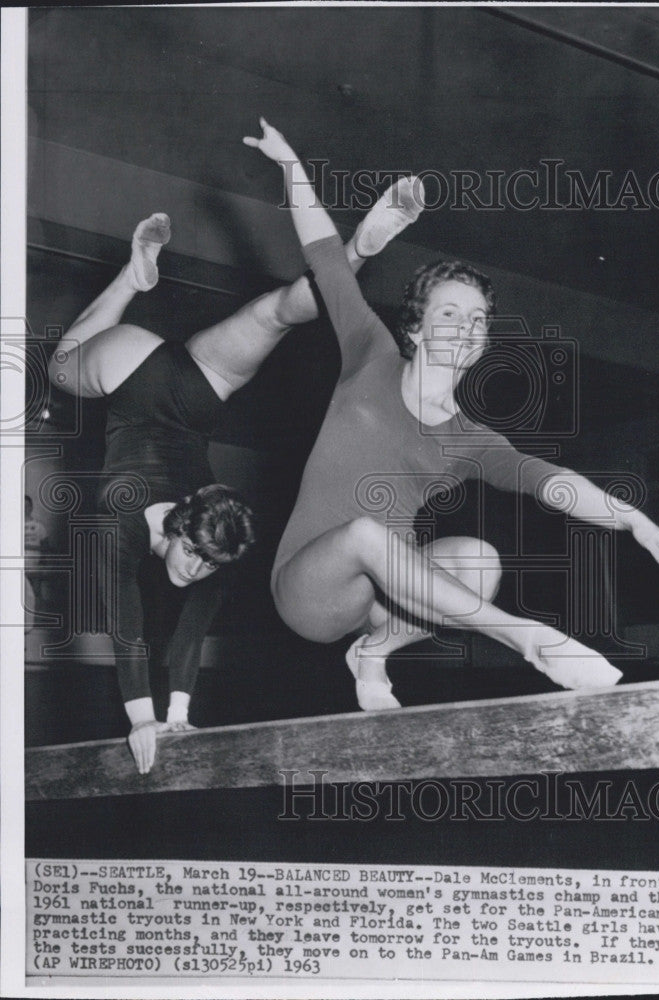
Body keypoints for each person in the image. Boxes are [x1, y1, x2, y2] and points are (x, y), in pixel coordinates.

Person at [243, 118, 659, 712]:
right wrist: (289, 165)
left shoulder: (472, 439)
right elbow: (327, 260)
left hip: (389, 594)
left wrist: (630, 517)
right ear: (414, 326)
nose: (466, 328)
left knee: (480, 559)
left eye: (478, 319)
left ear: (486, 341)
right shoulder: (370, 354)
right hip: (309, 589)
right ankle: (526, 638)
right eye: (450, 315)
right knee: (365, 533)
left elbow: (549, 482)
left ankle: (375, 652)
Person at [48, 187, 422, 772]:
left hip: (197, 390)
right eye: (194, 557)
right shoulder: (117, 525)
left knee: (277, 310)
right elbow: (129, 631)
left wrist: (177, 715)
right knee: (60, 365)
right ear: (180, 524)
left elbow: (188, 632)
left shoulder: (215, 543)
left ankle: (355, 251)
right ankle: (130, 280)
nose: (195, 570)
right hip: (135, 380)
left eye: (206, 564)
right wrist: (144, 719)